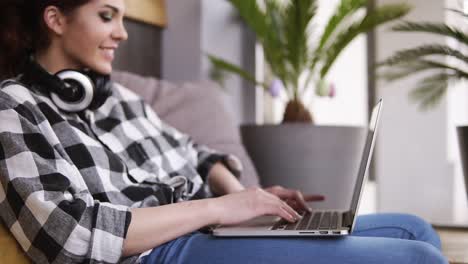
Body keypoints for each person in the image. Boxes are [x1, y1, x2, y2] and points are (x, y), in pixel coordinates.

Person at [0, 1, 448, 263]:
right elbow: (68, 232)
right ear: (55, 20)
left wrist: (250, 202)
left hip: (207, 230)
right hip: (155, 254)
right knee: (419, 258)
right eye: (107, 16)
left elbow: (197, 155)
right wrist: (220, 209)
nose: (122, 33)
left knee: (415, 229)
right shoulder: (14, 105)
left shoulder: (114, 97)